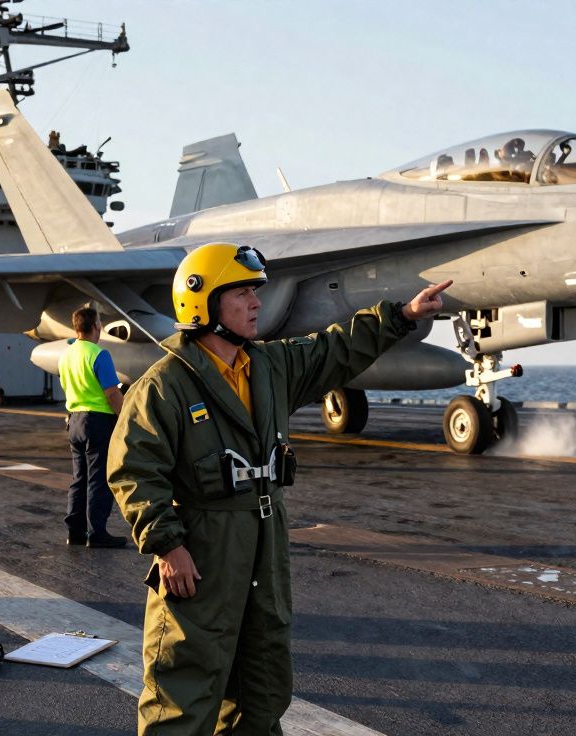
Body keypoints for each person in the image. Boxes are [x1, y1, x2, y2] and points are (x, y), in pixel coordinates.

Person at [108, 242, 450, 734]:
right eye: (242, 293)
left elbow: (334, 348)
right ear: (202, 303)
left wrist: (401, 316)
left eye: (255, 292)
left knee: (261, 687)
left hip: (264, 546)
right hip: (203, 551)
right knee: (183, 689)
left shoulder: (268, 368)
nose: (255, 303)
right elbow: (133, 468)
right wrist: (168, 545)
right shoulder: (165, 386)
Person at [58, 307, 127, 549]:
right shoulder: (99, 354)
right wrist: (127, 418)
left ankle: (75, 532)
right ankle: (97, 532)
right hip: (97, 422)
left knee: (79, 479)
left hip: (74, 420)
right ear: (96, 326)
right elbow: (112, 392)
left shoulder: (66, 356)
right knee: (98, 479)